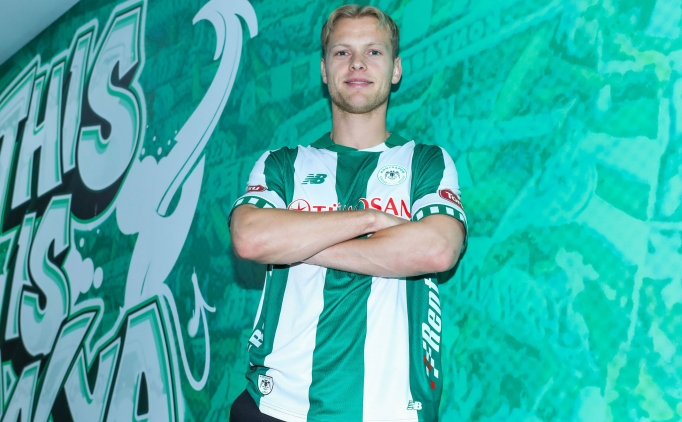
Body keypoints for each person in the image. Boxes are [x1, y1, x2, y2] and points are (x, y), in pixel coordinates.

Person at [228, 4, 467, 421]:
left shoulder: (426, 162)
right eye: (342, 52)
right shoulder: (282, 164)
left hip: (389, 411)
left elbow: (437, 250)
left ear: (396, 69)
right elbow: (250, 239)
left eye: (373, 51)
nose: (357, 63)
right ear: (324, 71)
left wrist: (296, 244)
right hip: (275, 406)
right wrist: (371, 220)